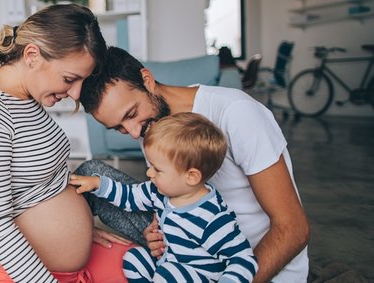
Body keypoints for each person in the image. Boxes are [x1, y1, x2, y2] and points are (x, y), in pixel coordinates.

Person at [75, 46, 310, 283]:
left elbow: (294, 230)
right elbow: (166, 197)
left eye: (131, 114)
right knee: (90, 174)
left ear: (147, 80)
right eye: (119, 128)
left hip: (247, 262)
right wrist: (157, 231)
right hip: (187, 251)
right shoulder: (152, 127)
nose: (134, 132)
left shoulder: (236, 113)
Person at [0, 4, 130, 282]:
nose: (76, 93)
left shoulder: (27, 98)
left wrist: (76, 233)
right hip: (28, 275)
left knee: (158, 266)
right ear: (32, 55)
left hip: (71, 261)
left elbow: (38, 189)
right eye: (70, 79)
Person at [71, 112, 258, 282]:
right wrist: (97, 184)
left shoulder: (211, 218)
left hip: (198, 276)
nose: (149, 173)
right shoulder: (160, 191)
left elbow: (242, 259)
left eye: (157, 169)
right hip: (167, 263)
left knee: (168, 273)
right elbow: (130, 196)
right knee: (134, 259)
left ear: (191, 176)